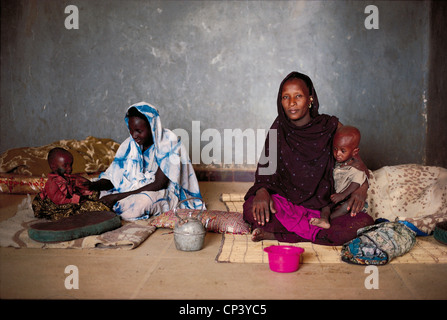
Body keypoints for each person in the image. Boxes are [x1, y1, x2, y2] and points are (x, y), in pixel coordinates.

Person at [243, 71, 372, 245]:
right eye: (285, 97)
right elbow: (265, 170)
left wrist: (361, 188)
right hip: (286, 202)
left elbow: (355, 160)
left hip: (322, 207)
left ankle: (277, 235)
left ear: (310, 99)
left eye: (298, 96)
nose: (292, 103)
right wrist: (262, 192)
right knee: (252, 208)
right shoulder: (279, 127)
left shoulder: (328, 125)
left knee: (362, 222)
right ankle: (313, 232)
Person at [88, 102, 203, 221]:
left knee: (143, 203)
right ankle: (115, 205)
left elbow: (159, 184)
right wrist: (92, 185)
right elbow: (113, 178)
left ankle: (114, 206)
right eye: (131, 130)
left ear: (153, 127)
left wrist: (116, 197)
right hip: (130, 190)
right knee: (92, 192)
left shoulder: (169, 143)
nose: (134, 135)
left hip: (160, 192)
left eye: (138, 130)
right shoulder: (129, 145)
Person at [32, 147, 111, 220]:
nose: (70, 168)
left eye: (71, 165)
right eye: (65, 165)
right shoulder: (53, 183)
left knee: (93, 193)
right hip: (60, 204)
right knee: (83, 208)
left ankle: (103, 201)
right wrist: (78, 199)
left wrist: (84, 187)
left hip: (70, 198)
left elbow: (74, 187)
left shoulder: (66, 177)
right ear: (53, 167)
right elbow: (59, 200)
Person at [329, 125, 367, 220]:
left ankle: (331, 217)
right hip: (334, 197)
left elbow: (356, 183)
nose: (338, 154)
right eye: (335, 149)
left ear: (355, 152)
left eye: (343, 151)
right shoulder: (336, 164)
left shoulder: (355, 168)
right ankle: (325, 218)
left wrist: (343, 195)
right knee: (324, 205)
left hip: (344, 197)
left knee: (348, 205)